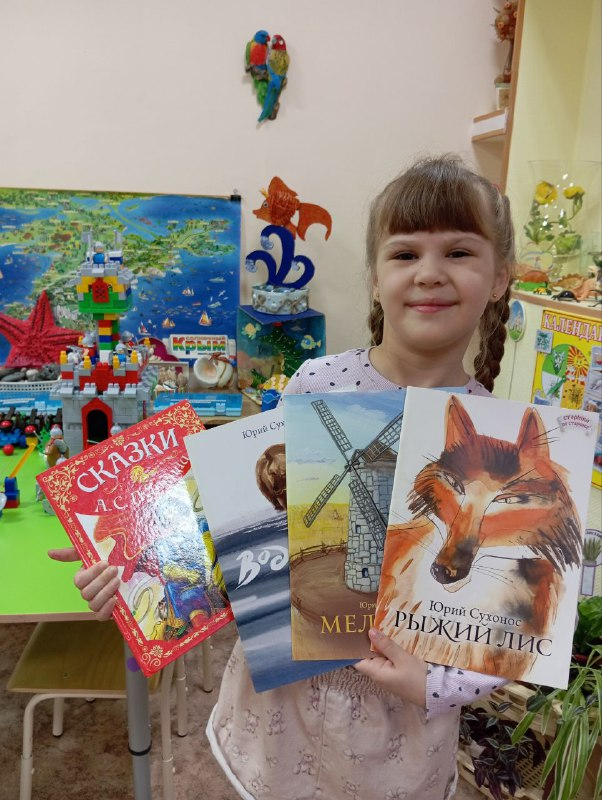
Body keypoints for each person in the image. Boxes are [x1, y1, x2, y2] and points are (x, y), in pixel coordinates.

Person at [49, 155, 515, 800]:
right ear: (375, 277)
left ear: (500, 276)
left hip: (399, 740)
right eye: (405, 253)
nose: (429, 272)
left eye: (459, 252)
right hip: (278, 720)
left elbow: (508, 618)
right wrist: (133, 565)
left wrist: (438, 684)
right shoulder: (317, 383)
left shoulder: (498, 438)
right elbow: (246, 522)